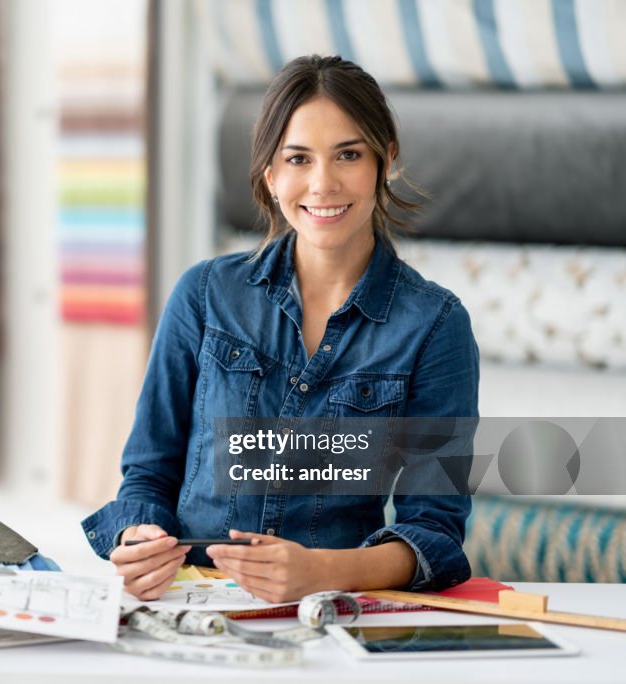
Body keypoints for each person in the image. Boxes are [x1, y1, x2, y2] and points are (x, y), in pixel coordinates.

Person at [81, 55, 480, 602]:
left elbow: (434, 531)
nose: (323, 183)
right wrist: (137, 539)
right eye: (298, 158)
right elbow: (149, 471)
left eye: (348, 154)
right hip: (189, 603)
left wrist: (321, 572)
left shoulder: (435, 325)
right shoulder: (203, 294)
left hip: (333, 611)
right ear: (271, 177)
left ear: (385, 162)